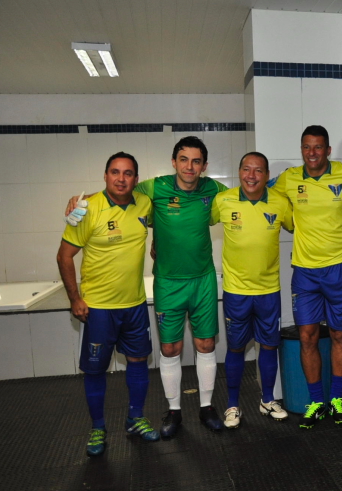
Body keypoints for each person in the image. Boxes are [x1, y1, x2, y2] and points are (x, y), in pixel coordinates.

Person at [65, 136, 228, 437]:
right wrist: (79, 202)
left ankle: (206, 407)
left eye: (196, 161)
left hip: (203, 280)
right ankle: (174, 411)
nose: (189, 167)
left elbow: (246, 193)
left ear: (204, 166)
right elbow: (119, 191)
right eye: (183, 159)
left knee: (206, 345)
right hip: (166, 282)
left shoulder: (214, 190)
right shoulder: (153, 188)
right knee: (169, 348)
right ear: (174, 162)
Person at [57, 152, 158, 456]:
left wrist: (157, 243)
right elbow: (64, 256)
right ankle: (98, 428)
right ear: (105, 175)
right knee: (96, 370)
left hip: (135, 304)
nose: (121, 179)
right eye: (115, 172)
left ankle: (135, 419)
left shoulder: (144, 204)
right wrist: (75, 299)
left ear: (136, 179)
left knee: (138, 361)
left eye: (128, 173)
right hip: (98, 308)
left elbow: (165, 219)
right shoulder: (87, 209)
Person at [270, 125, 342, 428]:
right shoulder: (289, 178)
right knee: (307, 336)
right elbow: (261, 192)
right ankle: (315, 402)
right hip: (304, 272)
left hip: (339, 269)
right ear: (302, 150)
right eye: (307, 147)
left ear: (328, 150)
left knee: (339, 335)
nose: (312, 153)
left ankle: (336, 399)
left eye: (318, 147)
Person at [211, 152, 293, 428]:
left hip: (269, 290)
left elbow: (302, 226)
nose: (251, 175)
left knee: (269, 345)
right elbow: (195, 222)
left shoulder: (280, 203)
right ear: (239, 172)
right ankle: (232, 405)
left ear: (267, 176)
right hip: (236, 291)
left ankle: (267, 399)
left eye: (258, 170)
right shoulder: (223, 201)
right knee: (236, 347)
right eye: (246, 169)